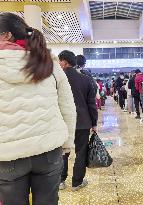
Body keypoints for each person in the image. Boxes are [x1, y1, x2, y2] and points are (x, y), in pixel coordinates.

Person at [0, 13, 76, 205]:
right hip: (48, 148)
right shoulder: (49, 63)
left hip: (8, 154)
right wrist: (68, 143)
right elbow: (67, 106)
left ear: (7, 35)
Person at [58, 50, 98, 191]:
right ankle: (77, 182)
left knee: (63, 151)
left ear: (64, 62)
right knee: (81, 151)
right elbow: (91, 104)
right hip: (82, 121)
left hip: (63, 121)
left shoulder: (58, 78)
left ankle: (60, 181)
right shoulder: (86, 79)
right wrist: (94, 123)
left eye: (59, 61)